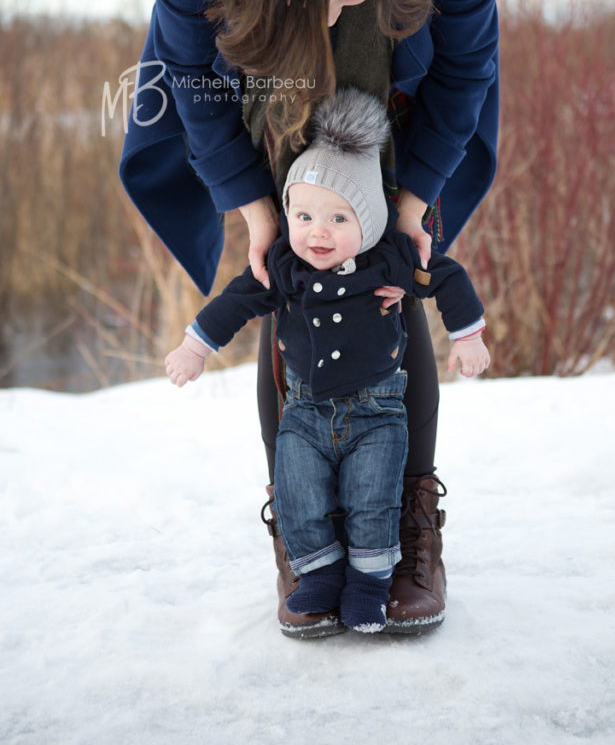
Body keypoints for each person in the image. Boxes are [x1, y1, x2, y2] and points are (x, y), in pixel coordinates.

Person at [120, 0, 501, 633]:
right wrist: (256, 212)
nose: (331, 23)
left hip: (403, 58)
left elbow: (466, 67)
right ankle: (303, 529)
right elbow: (190, 74)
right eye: (317, 5)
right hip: (256, 41)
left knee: (381, 260)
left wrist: (408, 208)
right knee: (299, 261)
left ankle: (409, 517)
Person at [165, 89, 490, 635]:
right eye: (305, 215)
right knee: (300, 495)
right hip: (306, 413)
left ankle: (368, 585)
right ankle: (316, 576)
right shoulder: (286, 266)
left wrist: (468, 335)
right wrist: (196, 345)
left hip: (376, 414)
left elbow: (447, 278)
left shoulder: (389, 259)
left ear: (369, 220)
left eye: (339, 218)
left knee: (372, 500)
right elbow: (239, 300)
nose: (319, 232)